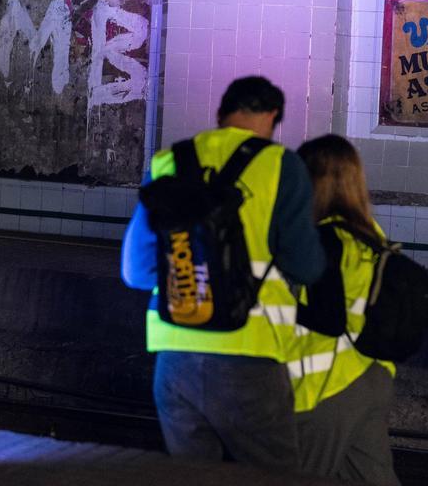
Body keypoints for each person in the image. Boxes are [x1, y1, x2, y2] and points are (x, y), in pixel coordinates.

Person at [121, 75, 325, 468]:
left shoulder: (167, 162)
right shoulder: (282, 165)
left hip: (174, 356)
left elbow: (136, 271)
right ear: (273, 116)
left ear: (221, 115)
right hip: (248, 354)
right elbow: (306, 265)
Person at [289, 134, 399, 485]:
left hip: (329, 386)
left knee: (294, 476)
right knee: (371, 476)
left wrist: (278, 307)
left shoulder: (321, 239)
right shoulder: (371, 235)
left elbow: (329, 318)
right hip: (374, 377)